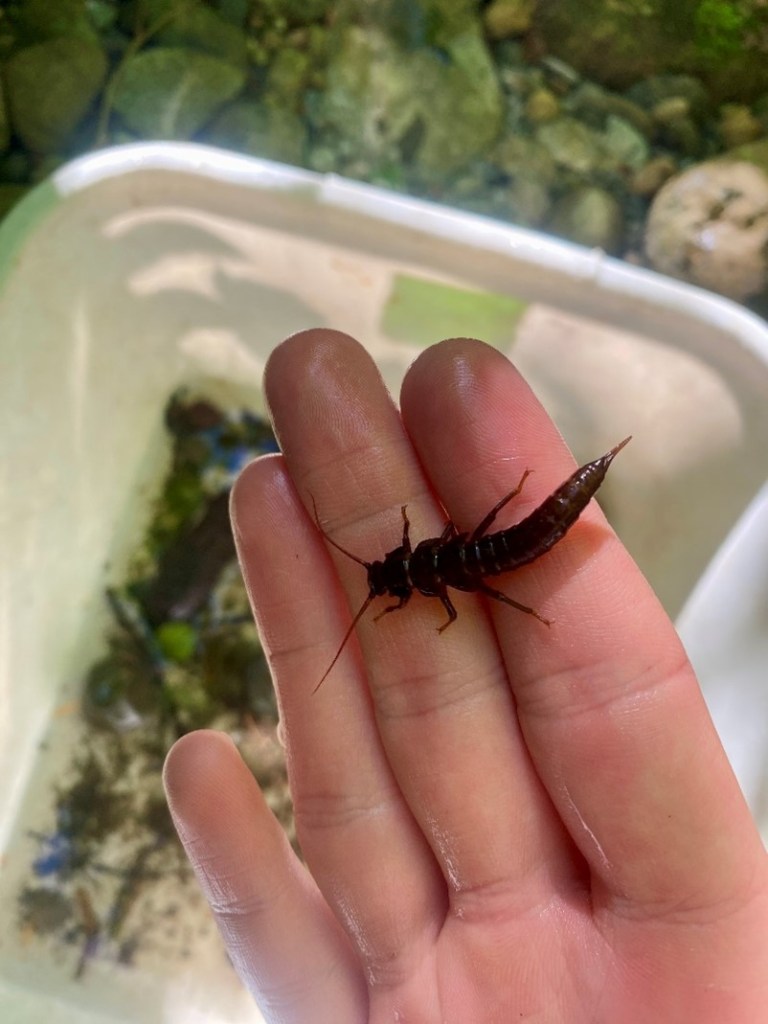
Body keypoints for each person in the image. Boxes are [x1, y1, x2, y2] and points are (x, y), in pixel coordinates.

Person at [163, 329, 768, 1023]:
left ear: (403, 573)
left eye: (388, 578)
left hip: (516, 543)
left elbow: (447, 599)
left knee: (510, 549)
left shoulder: (429, 584)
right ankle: (572, 481)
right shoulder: (427, 561)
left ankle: (576, 480)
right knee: (507, 544)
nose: (389, 579)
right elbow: (449, 570)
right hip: (509, 543)